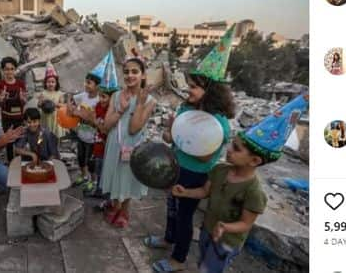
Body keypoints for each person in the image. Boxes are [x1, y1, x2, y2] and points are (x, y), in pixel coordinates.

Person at [168, 93, 308, 273]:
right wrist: (185, 193)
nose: (229, 150)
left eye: (236, 149)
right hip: (208, 231)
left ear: (254, 161)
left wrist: (226, 227)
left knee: (211, 269)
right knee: (202, 260)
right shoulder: (219, 171)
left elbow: (246, 223)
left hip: (227, 241)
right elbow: (204, 191)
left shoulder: (254, 192)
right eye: (232, 145)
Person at [146, 26, 237, 272]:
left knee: (185, 216)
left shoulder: (217, 122)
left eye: (194, 87)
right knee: (171, 208)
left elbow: (208, 153)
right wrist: (171, 131)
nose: (188, 90)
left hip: (196, 175)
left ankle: (178, 259)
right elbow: (171, 138)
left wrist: (185, 138)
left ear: (211, 91)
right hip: (177, 167)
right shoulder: (186, 110)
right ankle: (168, 238)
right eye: (189, 86)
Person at [97, 54, 157, 228]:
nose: (130, 75)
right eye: (126, 72)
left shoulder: (150, 101)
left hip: (133, 147)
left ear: (143, 75)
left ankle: (125, 209)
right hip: (114, 144)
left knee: (129, 178)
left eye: (135, 71)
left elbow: (134, 128)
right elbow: (106, 126)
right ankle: (115, 205)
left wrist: (139, 103)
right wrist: (120, 110)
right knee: (114, 175)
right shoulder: (116, 96)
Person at [80, 51, 119, 198]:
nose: (101, 99)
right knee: (97, 167)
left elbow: (106, 127)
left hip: (107, 148)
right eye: (100, 96)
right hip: (97, 145)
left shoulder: (113, 111)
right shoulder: (97, 107)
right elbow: (95, 121)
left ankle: (106, 195)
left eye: (104, 96)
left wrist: (94, 121)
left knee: (105, 170)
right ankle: (99, 190)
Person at [69, 62, 102, 191]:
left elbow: (97, 119)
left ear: (97, 86)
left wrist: (83, 114)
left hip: (93, 137)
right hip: (81, 134)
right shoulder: (82, 96)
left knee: (91, 161)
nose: (86, 85)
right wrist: (70, 107)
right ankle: (84, 176)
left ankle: (93, 181)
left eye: (89, 83)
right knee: (81, 158)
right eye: (86, 82)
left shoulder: (99, 100)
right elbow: (71, 98)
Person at [0, 56, 26, 164]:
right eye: (7, 69)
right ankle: (10, 163)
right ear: (3, 70)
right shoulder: (0, 84)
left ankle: (18, 161)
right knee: (8, 140)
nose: (9, 71)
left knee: (19, 140)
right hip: (7, 118)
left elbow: (24, 101)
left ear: (15, 70)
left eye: (12, 69)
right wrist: (0, 98)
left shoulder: (20, 83)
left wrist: (23, 99)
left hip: (19, 117)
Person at [36, 63, 66, 140]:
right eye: (48, 82)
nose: (51, 84)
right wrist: (41, 101)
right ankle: (42, 148)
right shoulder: (43, 93)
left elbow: (62, 106)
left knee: (55, 136)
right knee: (43, 135)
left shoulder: (59, 93)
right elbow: (38, 105)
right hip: (45, 118)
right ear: (45, 83)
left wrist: (54, 104)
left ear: (56, 83)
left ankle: (55, 149)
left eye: (53, 82)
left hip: (55, 118)